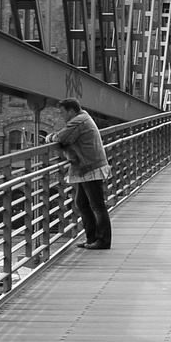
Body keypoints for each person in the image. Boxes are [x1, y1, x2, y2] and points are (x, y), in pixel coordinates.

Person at [51, 98, 111, 249]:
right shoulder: (83, 118)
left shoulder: (79, 121)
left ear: (71, 111)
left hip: (91, 168)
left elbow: (60, 138)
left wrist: (49, 137)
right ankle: (92, 238)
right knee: (82, 203)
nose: (61, 116)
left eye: (62, 112)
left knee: (97, 206)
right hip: (88, 168)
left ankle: (103, 241)